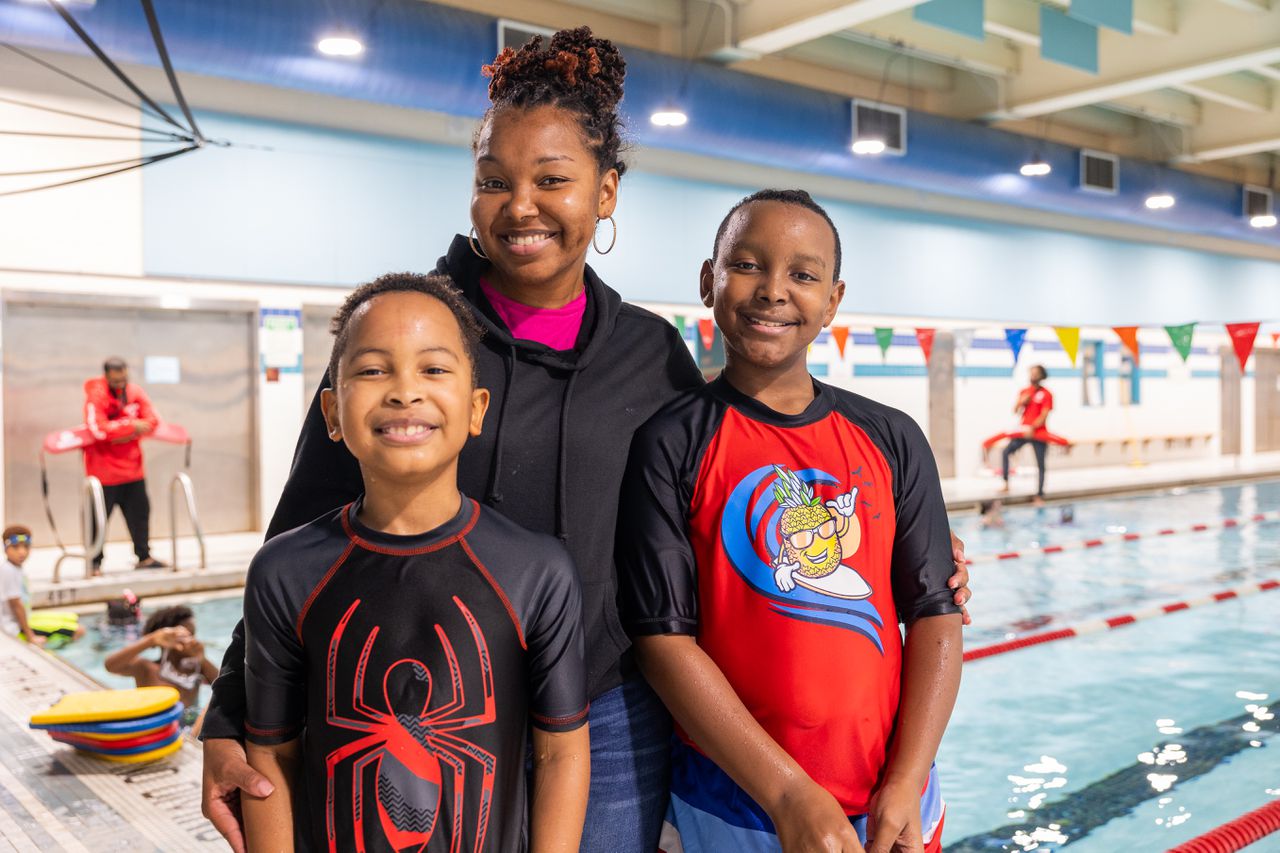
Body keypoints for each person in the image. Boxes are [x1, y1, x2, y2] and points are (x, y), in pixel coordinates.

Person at [199, 28, 974, 853]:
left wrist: (906, 549)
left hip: (609, 720)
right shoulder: (412, 342)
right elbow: (301, 537)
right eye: (494, 181)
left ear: (606, 193)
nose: (521, 205)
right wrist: (228, 711)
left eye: (553, 180)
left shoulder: (648, 354)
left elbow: (728, 479)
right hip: (430, 706)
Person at [618, 190, 963, 853]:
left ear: (832, 300)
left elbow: (935, 614)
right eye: (747, 265)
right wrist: (785, 791)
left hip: (893, 801)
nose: (773, 291)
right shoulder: (672, 440)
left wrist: (908, 775)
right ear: (707, 281)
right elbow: (664, 642)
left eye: (802, 274)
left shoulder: (890, 438)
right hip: (735, 805)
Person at [241, 273, 590, 852]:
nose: (405, 391)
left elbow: (561, 752)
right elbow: (272, 756)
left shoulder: (537, 570)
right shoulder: (284, 571)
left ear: (477, 409)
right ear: (332, 411)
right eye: (374, 370)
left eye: (433, 369)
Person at [84, 356, 167, 574]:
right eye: (115, 381)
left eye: (123, 380)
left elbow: (153, 421)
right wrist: (131, 428)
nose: (120, 384)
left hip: (133, 470)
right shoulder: (96, 395)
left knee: (140, 515)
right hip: (103, 473)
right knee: (98, 521)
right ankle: (94, 563)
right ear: (107, 377)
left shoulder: (135, 392)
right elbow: (97, 430)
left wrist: (118, 432)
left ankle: (144, 557)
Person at [103, 604, 219, 732]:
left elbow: (223, 687)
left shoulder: (197, 670)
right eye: (184, 636)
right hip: (156, 731)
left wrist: (201, 659)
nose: (191, 641)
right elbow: (110, 665)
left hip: (190, 730)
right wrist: (151, 640)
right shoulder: (147, 668)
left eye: (193, 635)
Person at [1, 526, 84, 646]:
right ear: (5, 548)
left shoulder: (14, 568)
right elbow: (16, 605)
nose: (22, 552)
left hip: (24, 618)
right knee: (79, 630)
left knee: (73, 617)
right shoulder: (8, 571)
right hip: (14, 627)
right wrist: (30, 636)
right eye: (16, 547)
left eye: (26, 546)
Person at [999, 364, 1053, 506]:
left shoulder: (1047, 394)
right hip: (1023, 430)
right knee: (1006, 452)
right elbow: (1015, 410)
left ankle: (1039, 495)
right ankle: (1006, 483)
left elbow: (1044, 414)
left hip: (1039, 432)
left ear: (1041, 376)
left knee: (1041, 464)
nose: (1033, 376)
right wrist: (1022, 401)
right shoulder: (1025, 392)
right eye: (1031, 373)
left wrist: (1033, 427)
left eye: (1035, 373)